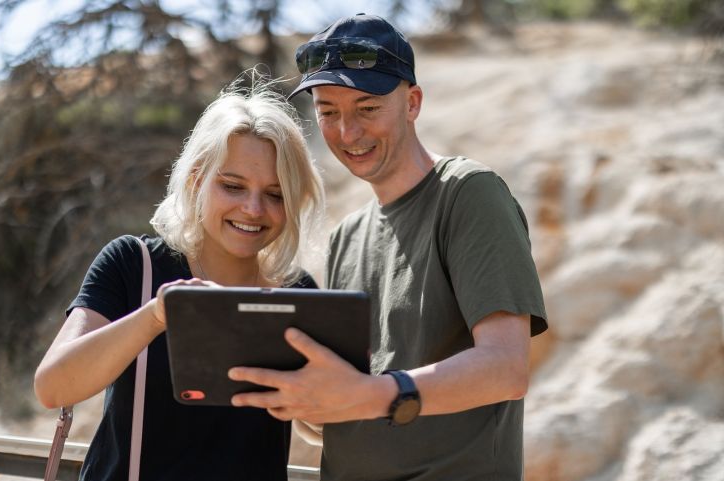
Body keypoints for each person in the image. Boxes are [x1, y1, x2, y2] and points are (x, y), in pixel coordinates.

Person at [228, 14, 548, 481]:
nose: (347, 133)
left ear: (412, 102)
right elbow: (354, 399)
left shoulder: (467, 193)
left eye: (367, 108)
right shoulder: (347, 235)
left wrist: (371, 394)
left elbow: (506, 368)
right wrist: (303, 397)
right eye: (328, 111)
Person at [33, 74, 324, 481]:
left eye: (275, 194)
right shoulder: (134, 264)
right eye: (233, 186)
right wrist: (155, 316)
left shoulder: (297, 291)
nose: (253, 209)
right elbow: (53, 387)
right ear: (196, 179)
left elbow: (317, 425)